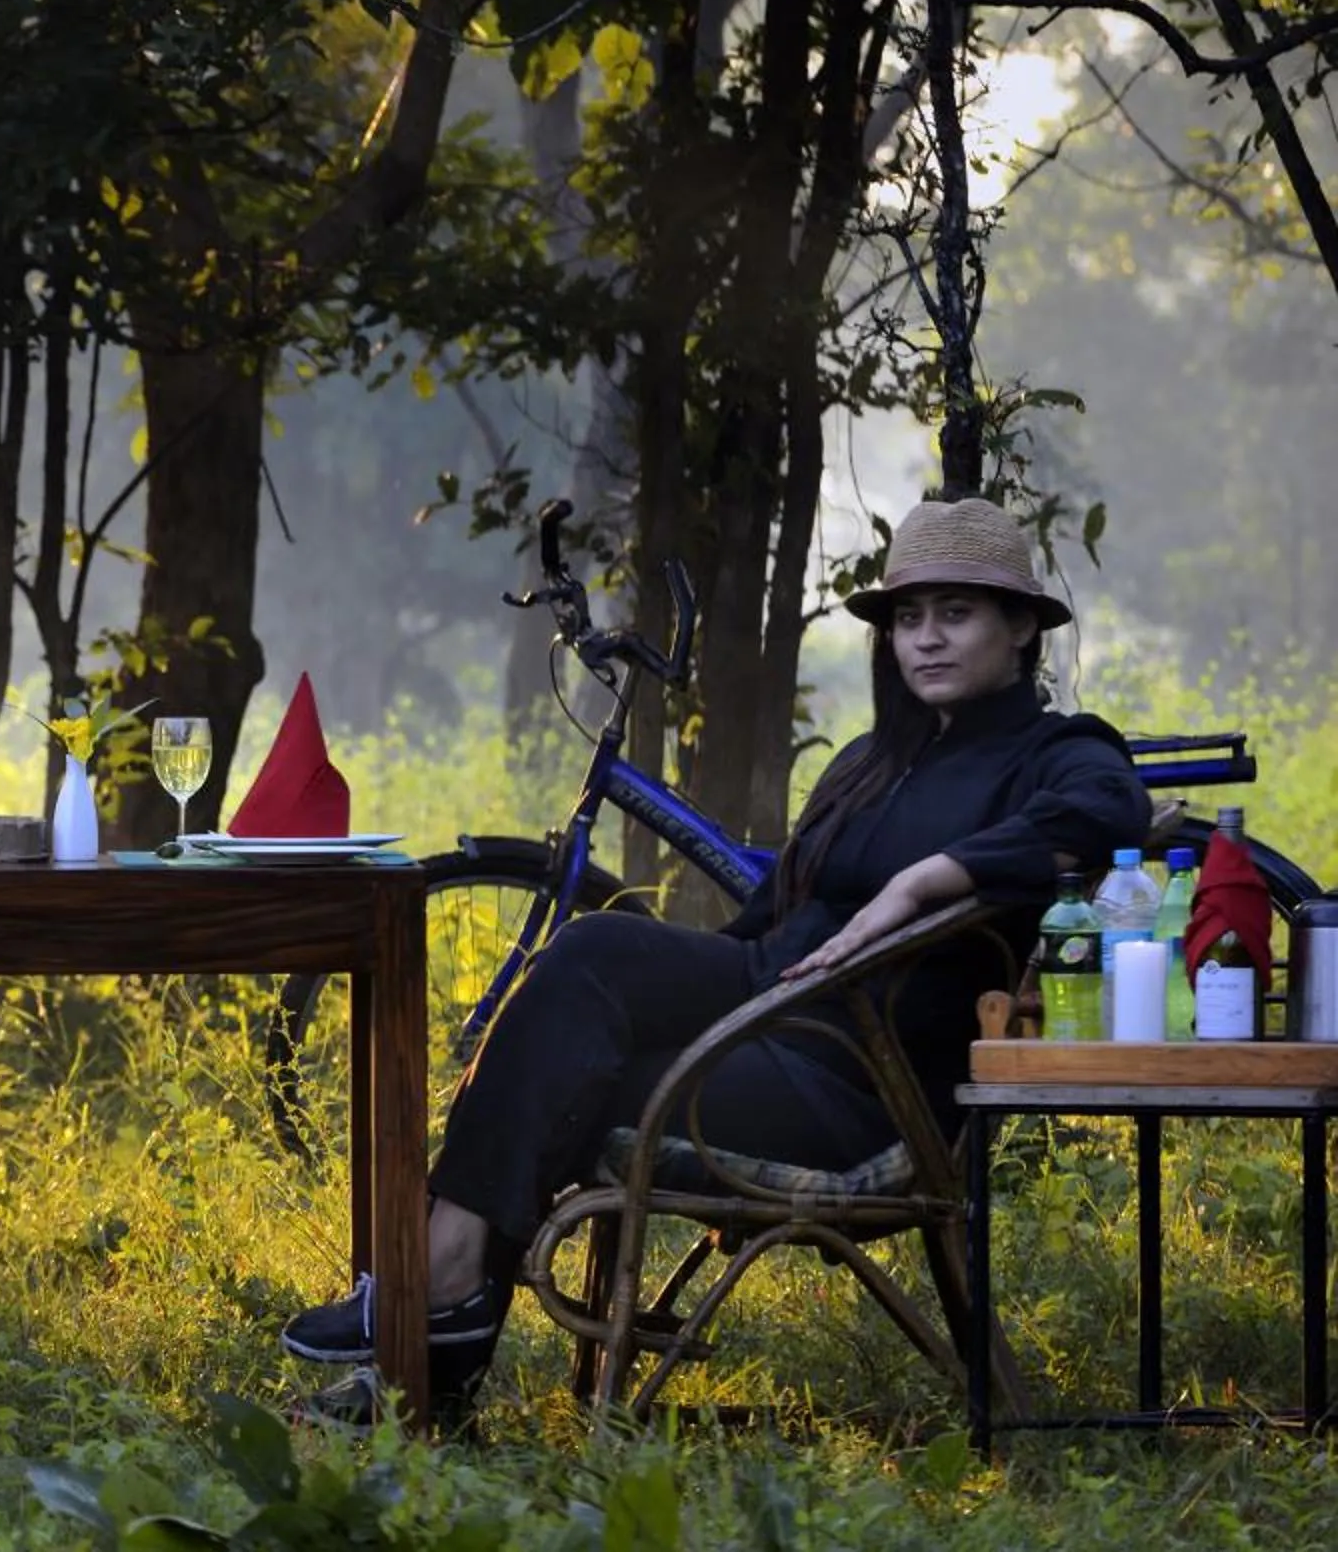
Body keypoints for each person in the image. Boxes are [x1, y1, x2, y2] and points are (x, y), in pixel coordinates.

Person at [279, 495, 1150, 1412]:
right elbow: (765, 923)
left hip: (859, 1084)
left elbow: (1110, 813)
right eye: (907, 617)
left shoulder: (1056, 753)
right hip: (766, 1008)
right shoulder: (872, 759)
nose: (925, 639)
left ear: (1019, 628)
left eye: (956, 614)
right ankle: (436, 1315)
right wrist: (670, 990)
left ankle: (432, 1314)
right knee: (591, 962)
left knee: (571, 1074)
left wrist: (927, 879)